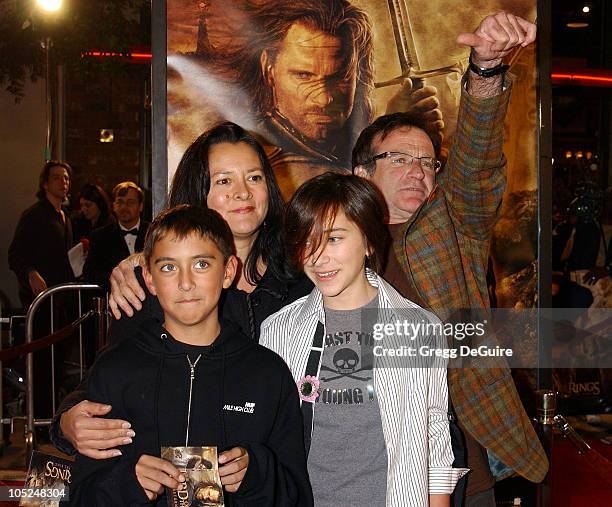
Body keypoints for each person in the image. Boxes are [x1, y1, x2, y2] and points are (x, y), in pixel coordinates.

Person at [352, 11, 547, 506]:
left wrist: (485, 73)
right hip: (364, 458)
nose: (417, 171)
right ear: (361, 171)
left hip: (461, 464)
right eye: (399, 158)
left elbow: (477, 160)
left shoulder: (453, 223)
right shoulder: (331, 242)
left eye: (426, 162)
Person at [50, 122, 312, 458]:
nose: (243, 192)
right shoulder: (156, 286)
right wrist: (67, 421)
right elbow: (110, 375)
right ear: (198, 191)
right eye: (223, 181)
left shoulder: (302, 280)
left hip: (277, 472)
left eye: (255, 177)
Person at [68, 205, 312, 506]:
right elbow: (79, 494)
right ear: (150, 279)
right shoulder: (116, 370)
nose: (185, 283)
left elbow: (297, 493)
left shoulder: (267, 374)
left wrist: (257, 473)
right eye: (169, 267)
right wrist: (128, 485)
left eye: (201, 265)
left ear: (228, 271)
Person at [260, 172, 467, 507]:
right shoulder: (278, 331)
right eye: (306, 241)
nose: (317, 257)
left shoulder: (419, 328)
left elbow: (434, 430)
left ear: (369, 240)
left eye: (334, 239)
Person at [208, 0, 443, 198]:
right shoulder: (261, 158)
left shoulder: (353, 140)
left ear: (357, 75)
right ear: (269, 69)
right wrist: (392, 138)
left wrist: (406, 140)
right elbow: (343, 199)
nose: (324, 99)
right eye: (304, 75)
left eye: (340, 77)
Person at [9, 160, 74, 307]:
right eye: (56, 178)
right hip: (40, 293)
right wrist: (31, 273)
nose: (63, 182)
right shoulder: (33, 215)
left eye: (66, 178)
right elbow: (15, 254)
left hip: (62, 292)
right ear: (45, 184)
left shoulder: (66, 215)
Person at [83, 181, 150, 290]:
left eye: (130, 202)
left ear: (141, 206)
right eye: (120, 202)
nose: (124, 207)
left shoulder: (154, 233)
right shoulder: (100, 236)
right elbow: (90, 272)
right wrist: (117, 281)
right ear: (113, 206)